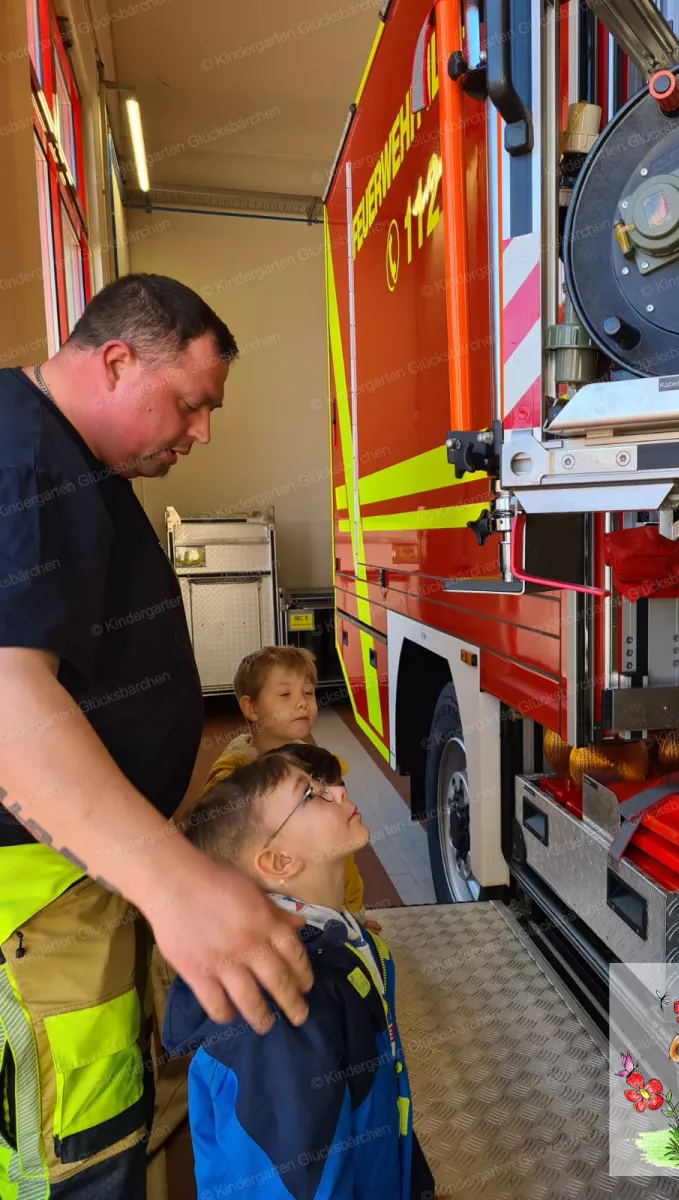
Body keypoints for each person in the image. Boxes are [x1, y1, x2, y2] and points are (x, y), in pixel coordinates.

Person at [0, 274, 313, 1199]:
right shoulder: (25, 465)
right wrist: (176, 886)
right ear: (115, 361)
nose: (201, 431)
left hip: (82, 876)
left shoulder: (72, 458)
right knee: (78, 1156)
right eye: (189, 403)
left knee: (124, 1119)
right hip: (39, 899)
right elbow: (10, 703)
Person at [165, 745, 435, 1199]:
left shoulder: (341, 940)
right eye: (311, 794)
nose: (339, 791)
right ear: (278, 862)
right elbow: (301, 1182)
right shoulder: (279, 1008)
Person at [204, 645, 374, 926]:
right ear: (251, 708)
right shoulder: (230, 786)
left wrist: (352, 916)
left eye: (308, 693)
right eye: (285, 694)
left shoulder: (321, 769)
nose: (302, 703)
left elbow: (342, 860)